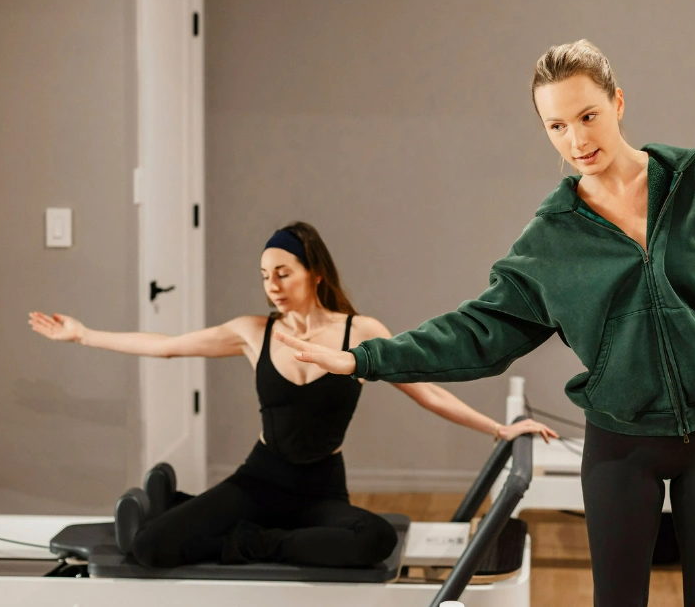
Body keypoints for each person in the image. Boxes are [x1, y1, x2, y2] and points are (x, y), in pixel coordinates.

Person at [279, 41, 695, 606]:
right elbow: (478, 330)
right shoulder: (552, 238)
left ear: (618, 102)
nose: (575, 140)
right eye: (556, 126)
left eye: (587, 116)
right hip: (620, 447)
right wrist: (364, 358)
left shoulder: (694, 179)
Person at [29, 221, 555, 569]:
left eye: (283, 272)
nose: (273, 285)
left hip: (322, 488)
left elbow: (426, 392)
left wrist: (501, 430)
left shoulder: (360, 333)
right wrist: (84, 334)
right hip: (259, 480)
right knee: (148, 547)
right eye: (265, 276)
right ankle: (189, 510)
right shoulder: (250, 332)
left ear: (314, 271)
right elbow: (167, 346)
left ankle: (247, 537)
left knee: (374, 541)